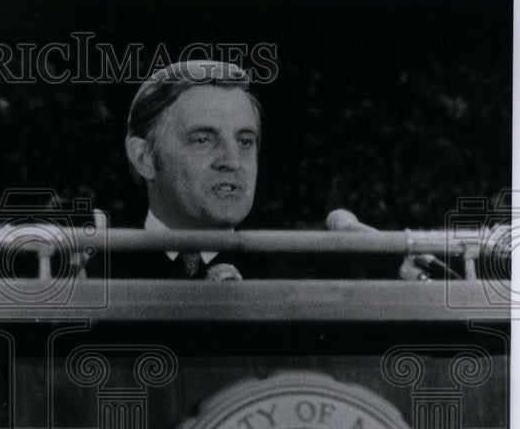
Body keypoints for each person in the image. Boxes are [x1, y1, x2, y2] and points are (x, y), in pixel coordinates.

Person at [107, 59, 399, 279]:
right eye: (202, 139)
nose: (232, 161)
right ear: (143, 157)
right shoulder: (94, 270)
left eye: (246, 141)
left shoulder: (306, 275)